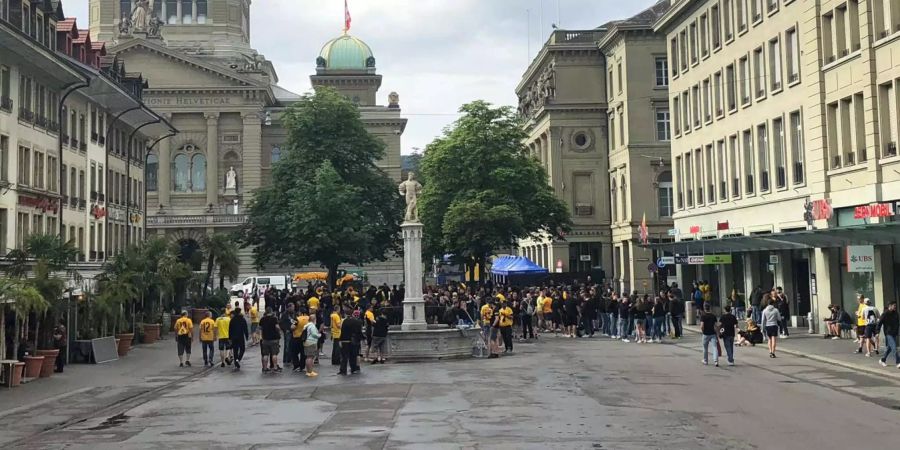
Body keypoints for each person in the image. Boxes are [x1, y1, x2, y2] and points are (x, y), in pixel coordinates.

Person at [339, 310, 364, 375]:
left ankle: (343, 370)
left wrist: (341, 340)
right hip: (354, 341)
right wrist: (362, 338)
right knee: (353, 356)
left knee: (344, 357)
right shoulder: (358, 322)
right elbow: (359, 332)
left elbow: (342, 331)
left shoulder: (345, 321)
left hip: (345, 341)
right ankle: (354, 368)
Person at [259, 307, 282, 373]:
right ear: (271, 312)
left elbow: (260, 328)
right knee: (274, 354)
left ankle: (265, 368)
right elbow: (277, 327)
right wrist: (279, 331)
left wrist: (261, 337)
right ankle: (275, 368)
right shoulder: (274, 319)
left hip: (265, 339)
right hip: (274, 339)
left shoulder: (262, 319)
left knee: (265, 354)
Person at [878, 302, 900, 369]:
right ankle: (898, 362)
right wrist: (877, 332)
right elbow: (879, 323)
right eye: (894, 306)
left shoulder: (896, 314)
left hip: (894, 333)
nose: (895, 307)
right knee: (894, 348)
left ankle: (882, 360)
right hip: (888, 333)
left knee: (889, 348)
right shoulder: (885, 313)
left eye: (896, 306)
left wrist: (897, 331)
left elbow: (898, 323)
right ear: (890, 306)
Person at [279, 303, 295, 367]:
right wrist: (285, 329)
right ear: (289, 307)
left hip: (293, 331)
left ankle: (290, 358)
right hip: (288, 332)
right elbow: (281, 323)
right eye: (292, 307)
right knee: (287, 346)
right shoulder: (284, 314)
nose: (293, 308)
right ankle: (286, 359)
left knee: (292, 346)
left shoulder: (293, 314)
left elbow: (295, 321)